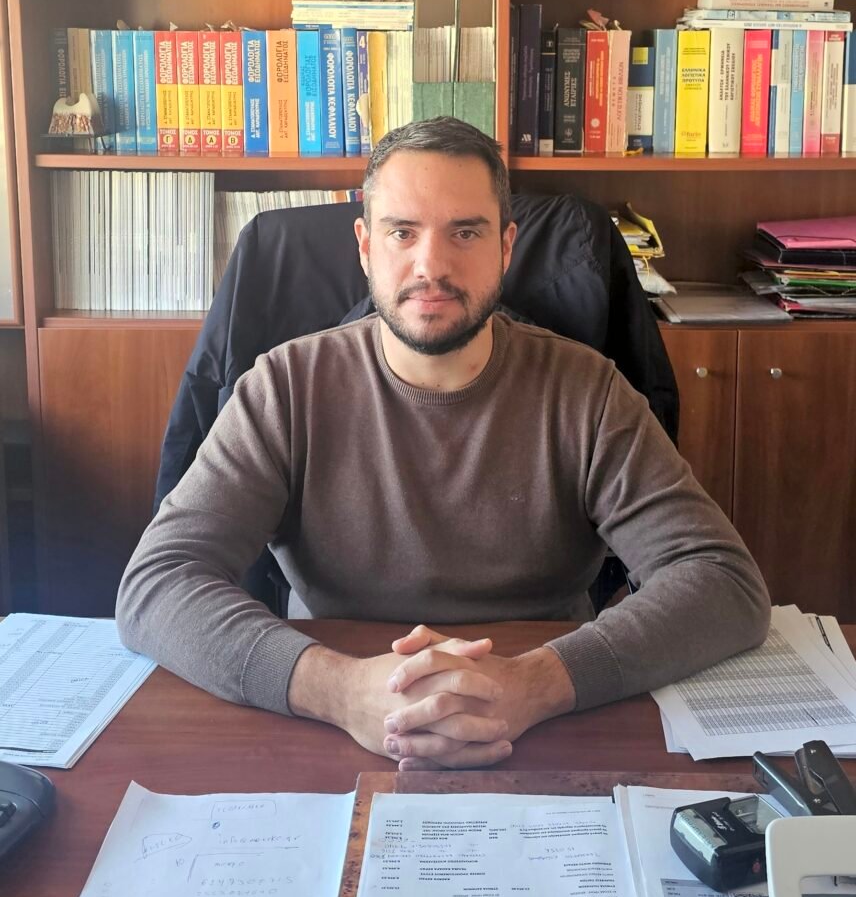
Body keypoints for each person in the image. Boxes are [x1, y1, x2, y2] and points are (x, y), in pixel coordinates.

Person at [116, 117, 771, 771]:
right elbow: (158, 582)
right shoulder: (284, 389)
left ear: (506, 247)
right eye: (402, 232)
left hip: (545, 727)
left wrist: (538, 683)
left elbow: (722, 580)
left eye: (465, 232)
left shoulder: (587, 392)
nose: (431, 266)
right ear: (366, 247)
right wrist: (338, 690)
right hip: (335, 723)